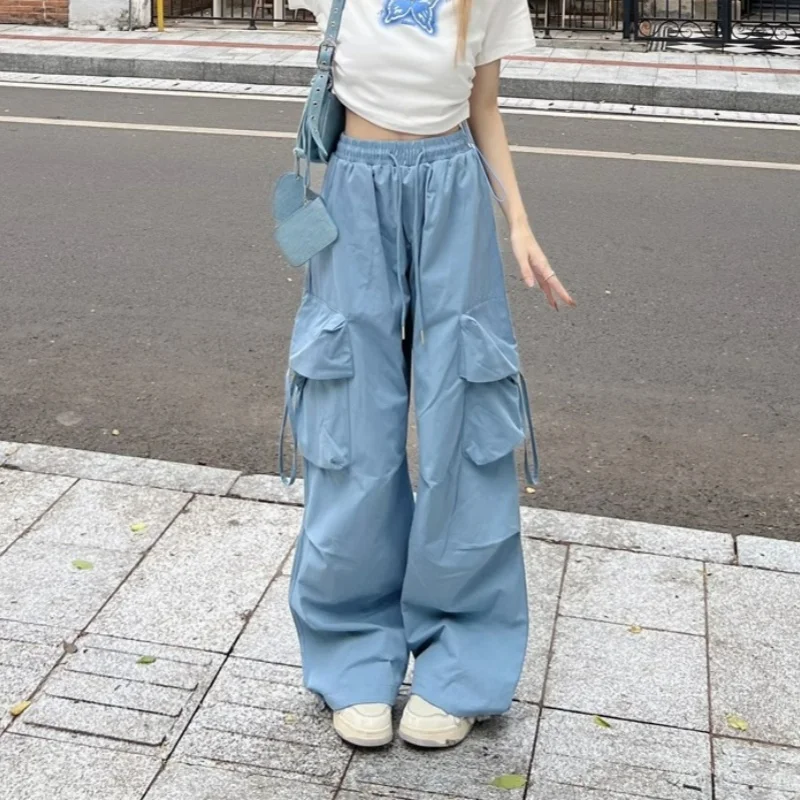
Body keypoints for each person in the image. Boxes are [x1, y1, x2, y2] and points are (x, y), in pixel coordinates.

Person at [281, 0, 575, 750]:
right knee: (352, 425)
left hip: (454, 192)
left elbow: (485, 109)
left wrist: (520, 223)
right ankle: (353, 653)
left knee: (465, 426)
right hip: (354, 192)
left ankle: (463, 662)